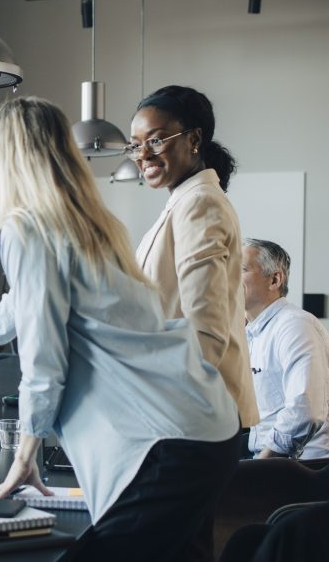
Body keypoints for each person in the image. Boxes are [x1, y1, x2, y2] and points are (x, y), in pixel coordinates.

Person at [0, 97, 241, 561]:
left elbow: (43, 359)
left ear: (9, 158)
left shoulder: (27, 229)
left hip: (165, 444)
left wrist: (25, 452)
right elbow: (2, 322)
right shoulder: (89, 226)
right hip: (205, 432)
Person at [129, 85, 259, 428]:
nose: (143, 154)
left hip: (193, 417)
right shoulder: (185, 201)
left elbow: (206, 334)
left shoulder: (199, 203)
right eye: (136, 144)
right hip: (184, 410)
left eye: (156, 140)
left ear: (194, 140)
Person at [242, 238, 329, 459]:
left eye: (241, 269)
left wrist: (260, 468)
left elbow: (304, 412)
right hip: (268, 456)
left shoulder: (295, 326)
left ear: (274, 279)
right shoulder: (254, 331)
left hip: (308, 464)